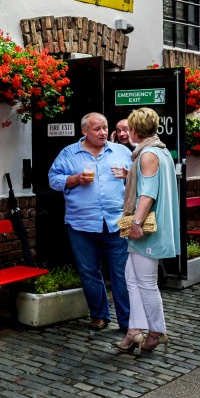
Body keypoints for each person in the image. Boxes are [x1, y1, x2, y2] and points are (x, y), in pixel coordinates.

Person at [48, 112, 133, 332]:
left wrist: (128, 175)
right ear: (84, 131)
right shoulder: (68, 154)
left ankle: (127, 320)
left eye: (105, 128)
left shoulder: (122, 152)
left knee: (122, 272)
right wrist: (75, 179)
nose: (103, 132)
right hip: (81, 223)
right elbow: (53, 179)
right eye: (97, 129)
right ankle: (99, 315)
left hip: (117, 221)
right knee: (89, 271)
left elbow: (141, 178)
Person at [114, 108, 181, 355]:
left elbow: (148, 193)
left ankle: (156, 330)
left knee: (145, 282)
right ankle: (135, 330)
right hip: (149, 227)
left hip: (147, 229)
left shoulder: (147, 154)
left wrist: (136, 223)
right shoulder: (159, 150)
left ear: (134, 130)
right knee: (131, 278)